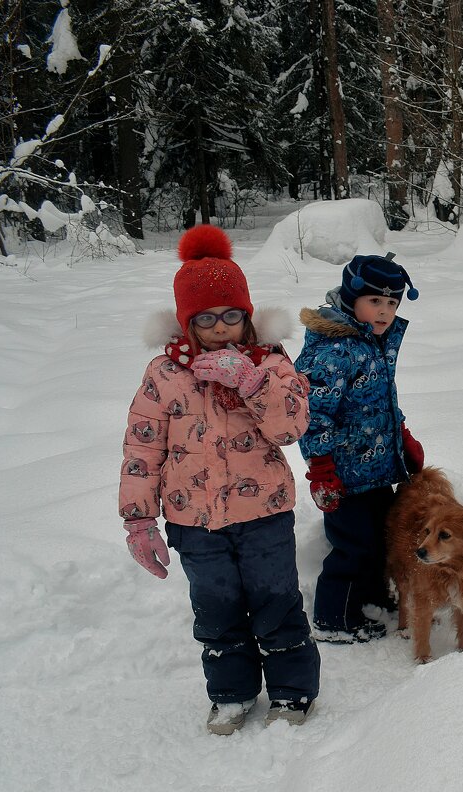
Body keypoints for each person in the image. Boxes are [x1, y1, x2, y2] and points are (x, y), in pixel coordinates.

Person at [118, 224, 321, 735]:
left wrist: (251, 383)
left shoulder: (270, 363)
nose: (220, 328)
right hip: (193, 521)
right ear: (187, 322)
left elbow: (292, 426)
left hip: (265, 516)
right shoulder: (165, 374)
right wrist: (139, 522)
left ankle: (293, 691)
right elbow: (143, 447)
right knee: (216, 610)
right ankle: (230, 694)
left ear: (248, 316)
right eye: (205, 319)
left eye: (232, 315)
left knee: (276, 604)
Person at [295, 253, 425, 643]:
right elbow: (314, 415)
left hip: (378, 469)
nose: (384, 312)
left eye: (392, 303)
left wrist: (400, 436)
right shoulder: (334, 350)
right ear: (352, 300)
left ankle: (370, 601)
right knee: (353, 547)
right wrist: (321, 468)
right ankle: (334, 618)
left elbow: (380, 400)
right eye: (375, 302)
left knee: (380, 539)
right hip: (343, 475)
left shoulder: (373, 342)